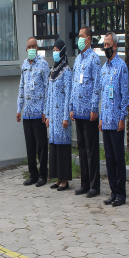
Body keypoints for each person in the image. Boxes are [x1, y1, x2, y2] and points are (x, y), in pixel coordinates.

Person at [70, 26, 101, 197]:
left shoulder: (94, 59)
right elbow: (75, 85)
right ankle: (84, 182)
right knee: (81, 148)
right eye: (78, 35)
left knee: (91, 149)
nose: (79, 39)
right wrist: (72, 107)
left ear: (88, 39)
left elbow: (97, 85)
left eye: (82, 36)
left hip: (89, 112)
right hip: (79, 111)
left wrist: (94, 108)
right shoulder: (78, 60)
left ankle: (94, 185)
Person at [99, 32, 129, 207]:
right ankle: (112, 191)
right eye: (104, 44)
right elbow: (104, 96)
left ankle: (121, 193)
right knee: (109, 158)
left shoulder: (121, 67)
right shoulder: (104, 69)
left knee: (118, 158)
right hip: (106, 120)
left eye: (108, 44)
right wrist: (101, 119)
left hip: (117, 120)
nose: (106, 47)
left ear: (115, 46)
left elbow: (124, 95)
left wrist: (122, 117)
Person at [17, 36, 50, 187]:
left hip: (39, 113)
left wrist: (46, 111)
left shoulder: (43, 65)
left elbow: (47, 89)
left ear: (37, 48)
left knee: (41, 145)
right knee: (30, 146)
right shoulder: (24, 65)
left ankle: (43, 175)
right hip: (27, 113)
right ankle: (33, 175)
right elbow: (21, 88)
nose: (31, 49)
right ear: (26, 49)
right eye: (29, 47)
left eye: (34, 46)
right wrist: (19, 108)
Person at [45, 39, 73, 190]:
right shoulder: (52, 71)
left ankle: (65, 180)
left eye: (57, 49)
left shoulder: (66, 71)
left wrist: (66, 117)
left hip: (62, 117)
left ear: (63, 52)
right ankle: (57, 178)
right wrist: (47, 115)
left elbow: (69, 95)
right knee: (54, 147)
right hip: (53, 117)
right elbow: (49, 95)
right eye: (54, 49)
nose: (55, 52)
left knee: (63, 148)